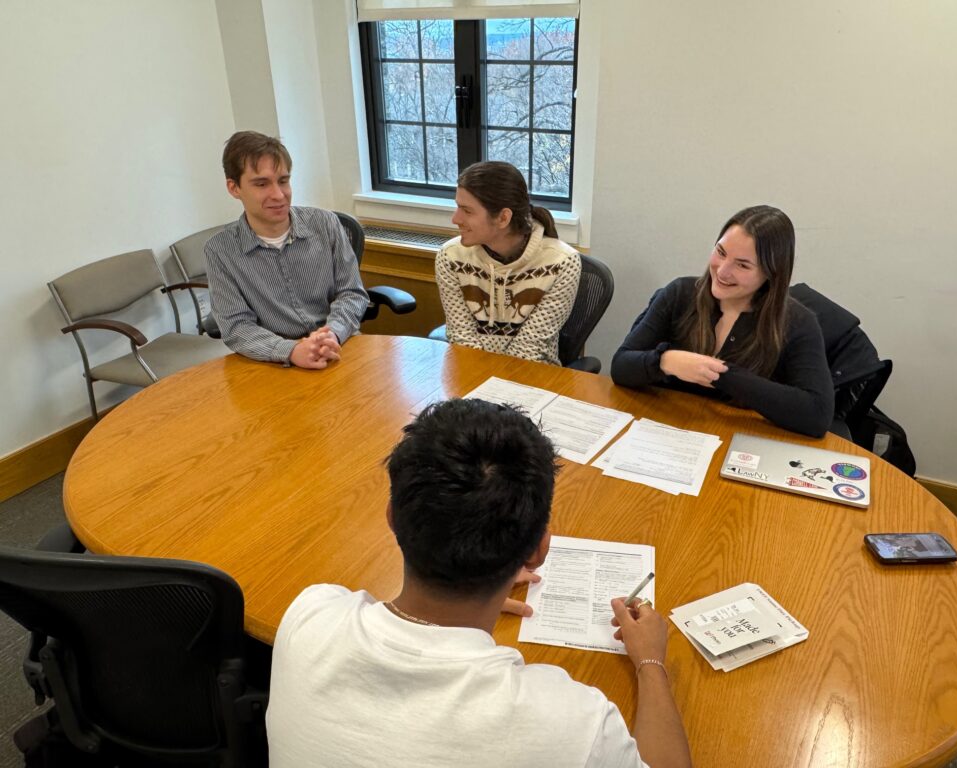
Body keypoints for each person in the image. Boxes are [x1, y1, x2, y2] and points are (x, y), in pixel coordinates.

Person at [266, 399, 692, 768]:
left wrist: (466, 570)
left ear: (392, 517)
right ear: (538, 550)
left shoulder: (309, 615)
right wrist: (650, 662)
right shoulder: (570, 723)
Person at [611, 205, 834, 437]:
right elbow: (621, 366)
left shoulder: (797, 323)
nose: (722, 271)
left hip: (738, 441)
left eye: (742, 265)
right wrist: (666, 361)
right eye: (721, 252)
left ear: (771, 273)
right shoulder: (679, 294)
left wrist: (720, 375)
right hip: (663, 431)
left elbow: (817, 416)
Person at [204, 131, 369, 369]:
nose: (279, 195)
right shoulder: (220, 251)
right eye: (261, 184)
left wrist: (331, 334)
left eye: (283, 181)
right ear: (234, 188)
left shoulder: (325, 223)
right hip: (272, 362)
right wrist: (291, 351)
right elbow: (236, 327)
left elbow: (352, 293)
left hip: (336, 348)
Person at [436, 161, 581, 365]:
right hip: (471, 372)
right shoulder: (451, 257)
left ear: (503, 218)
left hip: (531, 375)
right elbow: (462, 341)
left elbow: (529, 349)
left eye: (467, 211)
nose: (455, 219)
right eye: (457, 207)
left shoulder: (562, 263)